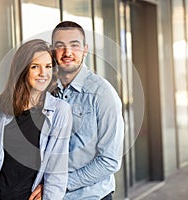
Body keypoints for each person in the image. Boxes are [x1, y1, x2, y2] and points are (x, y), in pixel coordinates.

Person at [0, 39, 73, 200]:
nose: (44, 73)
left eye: (48, 66)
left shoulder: (59, 111)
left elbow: (57, 170)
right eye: (35, 67)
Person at [32, 21, 124, 200]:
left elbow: (109, 161)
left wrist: (57, 185)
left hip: (90, 196)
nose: (67, 53)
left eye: (74, 45)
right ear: (52, 51)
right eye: (60, 46)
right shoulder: (46, 91)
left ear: (85, 49)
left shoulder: (102, 94)